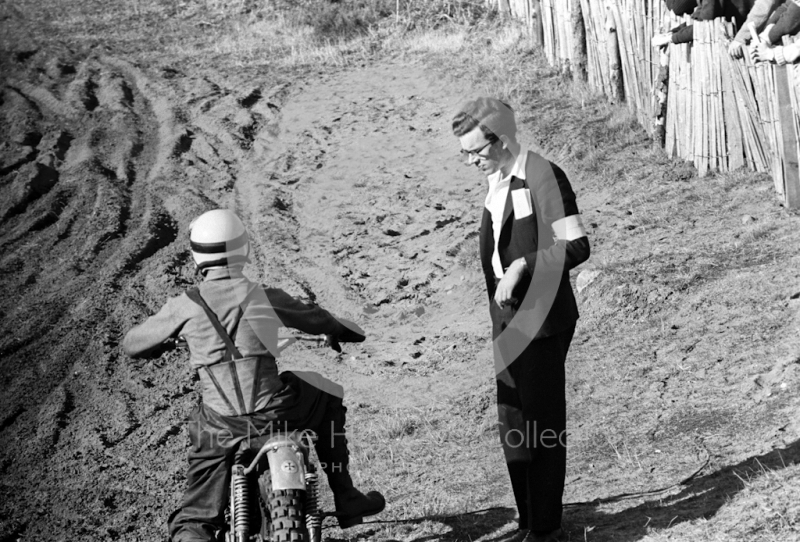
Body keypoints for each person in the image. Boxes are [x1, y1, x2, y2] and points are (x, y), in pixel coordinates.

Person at [122, 209, 385, 542]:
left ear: (197, 255)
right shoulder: (264, 296)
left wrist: (167, 339)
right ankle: (346, 496)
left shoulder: (184, 306)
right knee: (328, 393)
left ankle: (195, 529)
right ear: (244, 250)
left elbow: (132, 344)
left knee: (197, 509)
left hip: (221, 423)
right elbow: (323, 321)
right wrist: (345, 332)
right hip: (278, 410)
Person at [451, 98, 590, 542]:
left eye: (476, 151)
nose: (472, 161)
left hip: (542, 316)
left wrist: (522, 266)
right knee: (513, 420)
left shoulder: (543, 175)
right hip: (507, 318)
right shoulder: (497, 179)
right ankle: (528, 520)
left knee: (542, 425)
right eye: (465, 154)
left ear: (503, 139)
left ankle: (546, 529)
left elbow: (577, 245)